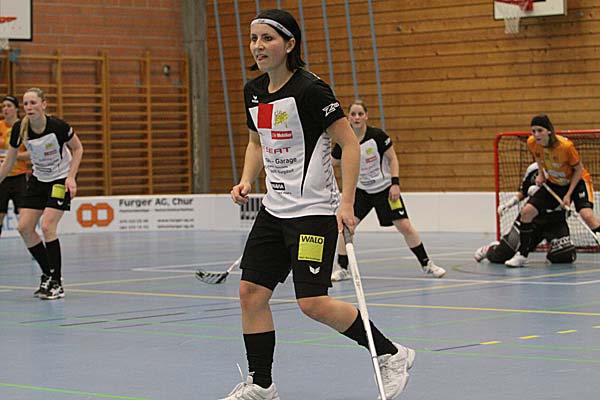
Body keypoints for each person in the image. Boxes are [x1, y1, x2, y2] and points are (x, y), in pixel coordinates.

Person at [224, 9, 415, 400]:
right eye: (254, 38)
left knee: (312, 302)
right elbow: (256, 143)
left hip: (312, 215)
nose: (258, 46)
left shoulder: (312, 90)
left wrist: (347, 203)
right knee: (251, 293)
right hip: (273, 211)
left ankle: (391, 353)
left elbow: (350, 144)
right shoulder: (253, 91)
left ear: (290, 44)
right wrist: (246, 179)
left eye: (267, 38)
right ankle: (261, 384)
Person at [330, 100, 445, 281]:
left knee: (405, 226)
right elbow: (332, 162)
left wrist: (395, 183)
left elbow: (393, 159)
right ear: (348, 118)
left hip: (384, 190)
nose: (357, 117)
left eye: (360, 114)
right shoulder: (345, 141)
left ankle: (427, 264)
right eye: (353, 114)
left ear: (366, 116)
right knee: (346, 228)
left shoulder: (377, 136)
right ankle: (342, 268)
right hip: (361, 191)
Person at [0, 87, 83, 300]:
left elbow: (77, 148)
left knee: (47, 226)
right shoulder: (20, 129)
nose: (29, 107)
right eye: (26, 104)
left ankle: (57, 284)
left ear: (43, 104)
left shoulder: (58, 126)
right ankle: (49, 274)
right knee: (24, 227)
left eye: (33, 103)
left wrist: (71, 177)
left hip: (60, 179)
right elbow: (9, 161)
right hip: (38, 180)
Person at [505, 114, 599, 267]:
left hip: (577, 181)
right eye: (533, 131)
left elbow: (578, 170)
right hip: (554, 183)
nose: (536, 135)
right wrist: (541, 174)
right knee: (527, 212)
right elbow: (538, 158)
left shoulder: (565, 147)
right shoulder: (532, 143)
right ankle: (522, 255)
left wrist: (568, 195)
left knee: (587, 216)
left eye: (540, 130)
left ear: (549, 131)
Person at [475, 162, 576, 265]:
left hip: (555, 221)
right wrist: (509, 204)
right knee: (503, 254)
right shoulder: (533, 169)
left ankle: (553, 250)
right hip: (532, 220)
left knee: (565, 255)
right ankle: (491, 248)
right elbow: (524, 191)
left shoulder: (568, 169)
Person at [0, 95, 29, 238]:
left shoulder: (24, 127)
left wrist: (14, 156)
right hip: (2, 177)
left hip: (19, 177)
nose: (5, 109)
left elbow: (32, 153)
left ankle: (32, 244)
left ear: (16, 109)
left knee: (24, 217)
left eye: (9, 106)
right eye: (3, 106)